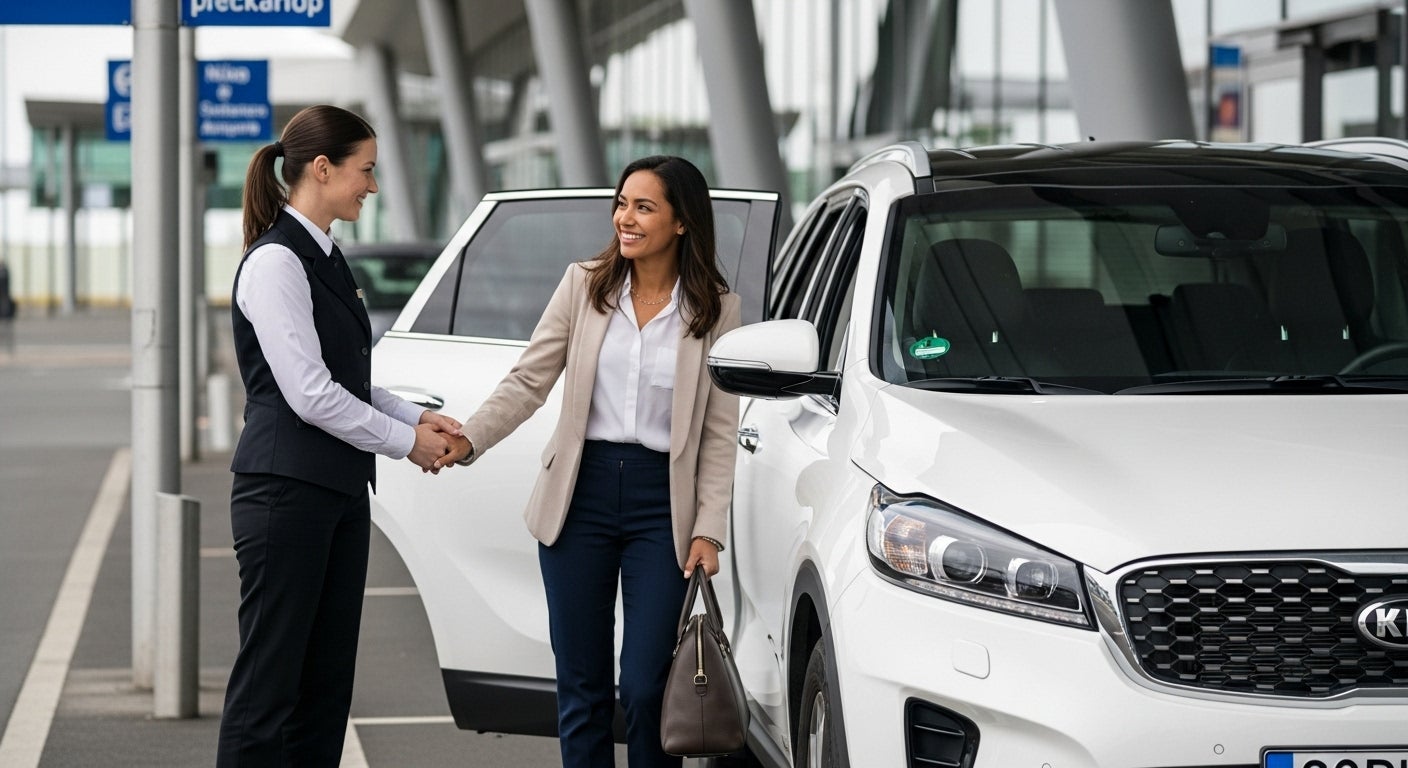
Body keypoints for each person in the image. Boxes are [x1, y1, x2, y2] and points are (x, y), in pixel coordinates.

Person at [436, 155, 740, 768]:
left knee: (650, 685)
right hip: (580, 497)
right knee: (581, 685)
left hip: (664, 507)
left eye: (644, 207)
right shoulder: (585, 284)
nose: (625, 218)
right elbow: (530, 379)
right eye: (622, 204)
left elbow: (719, 432)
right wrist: (470, 439)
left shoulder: (715, 308)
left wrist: (709, 527)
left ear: (682, 222)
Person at [217, 104, 462, 767]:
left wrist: (415, 417)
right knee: (270, 692)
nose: (373, 187)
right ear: (321, 170)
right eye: (366, 171)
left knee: (324, 690)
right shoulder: (276, 263)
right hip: (285, 496)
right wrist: (404, 442)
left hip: (335, 493)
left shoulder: (325, 255)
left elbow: (345, 381)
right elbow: (308, 392)